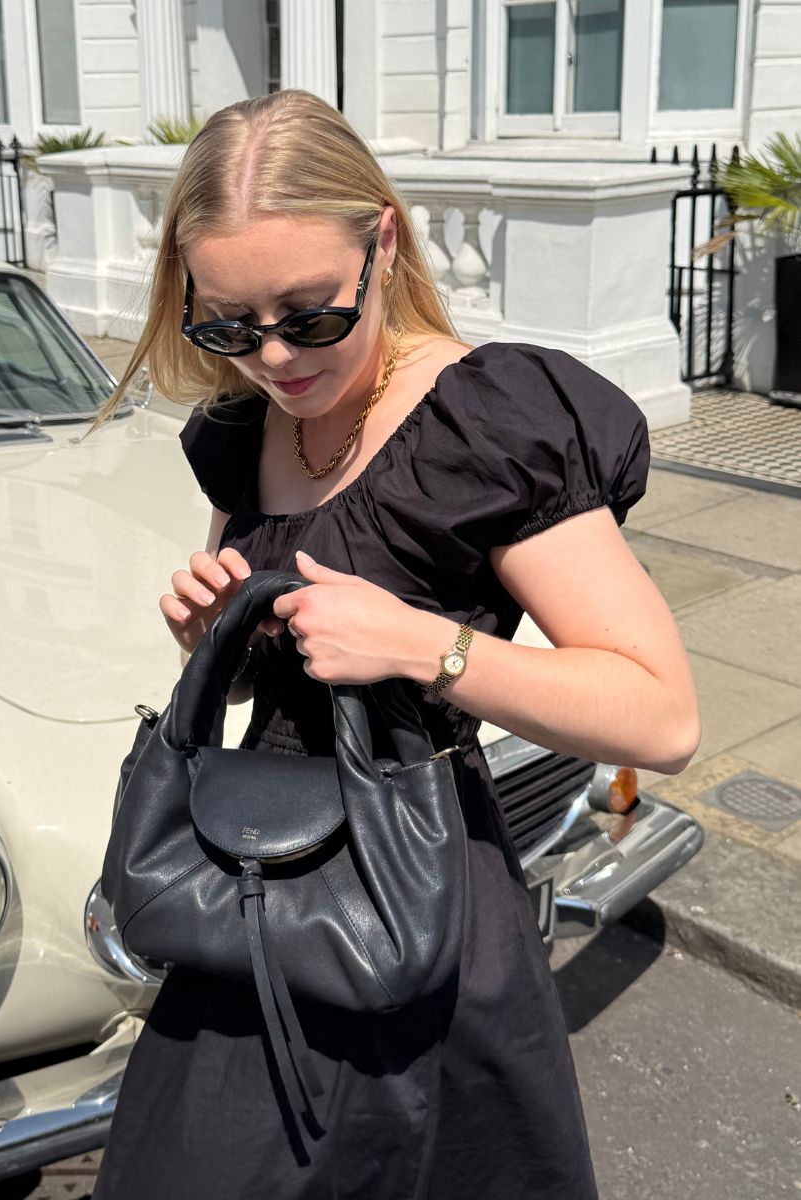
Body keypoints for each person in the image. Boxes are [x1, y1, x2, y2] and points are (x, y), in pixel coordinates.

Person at [90, 89, 699, 1200]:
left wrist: (428, 647)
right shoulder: (244, 434)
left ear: (386, 239)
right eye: (228, 325)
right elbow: (261, 691)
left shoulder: (489, 422)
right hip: (248, 892)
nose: (275, 356)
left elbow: (661, 715)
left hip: (411, 908)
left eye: (309, 314)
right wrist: (208, 636)